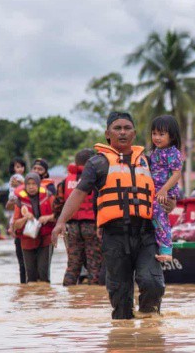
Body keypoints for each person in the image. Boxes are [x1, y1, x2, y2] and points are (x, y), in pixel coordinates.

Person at [52, 111, 166, 320]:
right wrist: (61, 222)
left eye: (127, 128)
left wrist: (169, 201)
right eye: (117, 128)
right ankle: (124, 339)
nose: (122, 132)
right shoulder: (97, 163)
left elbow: (165, 194)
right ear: (107, 133)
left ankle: (150, 331)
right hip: (114, 236)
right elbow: (78, 193)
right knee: (121, 299)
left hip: (146, 234)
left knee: (152, 283)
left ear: (134, 133)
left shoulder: (149, 162)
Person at [53, 148, 103, 286]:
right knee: (94, 265)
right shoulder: (97, 179)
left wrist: (61, 222)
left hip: (72, 227)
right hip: (93, 226)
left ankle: (68, 292)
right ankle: (95, 296)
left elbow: (57, 205)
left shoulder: (64, 183)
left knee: (73, 265)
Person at [149, 115, 183, 262]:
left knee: (159, 214)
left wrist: (163, 190)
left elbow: (177, 174)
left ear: (172, 136)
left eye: (161, 134)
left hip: (165, 192)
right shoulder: (155, 152)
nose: (157, 137)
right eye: (154, 133)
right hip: (155, 191)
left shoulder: (173, 152)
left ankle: (166, 250)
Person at [12, 172, 56, 283]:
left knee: (43, 274)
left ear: (39, 185)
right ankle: (32, 298)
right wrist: (25, 218)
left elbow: (58, 215)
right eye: (28, 184)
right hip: (27, 240)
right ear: (25, 185)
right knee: (30, 275)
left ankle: (44, 297)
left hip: (45, 239)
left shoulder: (48, 196)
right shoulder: (20, 201)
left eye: (34, 184)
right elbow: (15, 225)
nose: (31, 187)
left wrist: (47, 218)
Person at [5, 157, 27, 284]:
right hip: (17, 211)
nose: (20, 169)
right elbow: (10, 204)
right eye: (17, 167)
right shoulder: (17, 179)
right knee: (22, 262)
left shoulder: (22, 180)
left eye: (21, 166)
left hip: (20, 215)